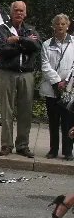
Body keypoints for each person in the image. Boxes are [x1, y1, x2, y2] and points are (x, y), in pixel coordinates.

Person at [0, 0, 41, 157]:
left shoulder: (30, 29)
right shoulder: (3, 29)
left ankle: (22, 145)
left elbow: (36, 47)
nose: (19, 13)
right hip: (7, 73)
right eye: (16, 10)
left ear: (25, 13)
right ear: (11, 12)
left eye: (22, 10)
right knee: (6, 110)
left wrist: (19, 40)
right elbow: (3, 49)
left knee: (25, 110)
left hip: (26, 74)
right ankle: (6, 145)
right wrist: (25, 45)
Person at [40, 13, 74, 160]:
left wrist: (66, 81)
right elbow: (45, 65)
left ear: (68, 26)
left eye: (63, 24)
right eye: (57, 23)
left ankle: (68, 151)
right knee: (53, 121)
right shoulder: (46, 44)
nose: (60, 26)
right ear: (53, 26)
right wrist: (57, 81)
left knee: (68, 121)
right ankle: (53, 150)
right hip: (52, 89)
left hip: (69, 89)